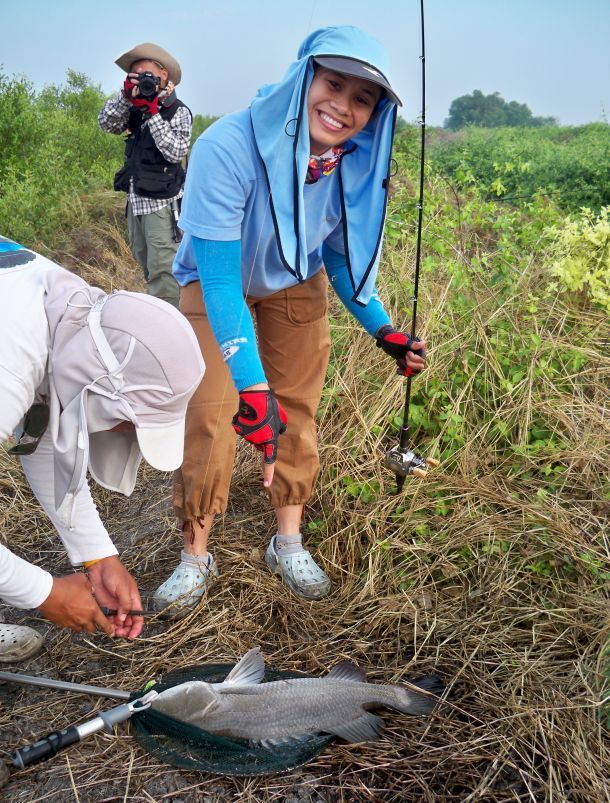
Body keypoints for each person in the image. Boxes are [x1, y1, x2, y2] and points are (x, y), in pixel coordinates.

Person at [153, 26, 426, 612]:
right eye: (333, 83)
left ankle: (288, 541)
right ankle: (195, 554)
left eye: (363, 98)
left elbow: (340, 255)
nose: (344, 106)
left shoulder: (347, 161)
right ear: (305, 76)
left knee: (296, 411)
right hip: (213, 278)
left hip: (295, 279)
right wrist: (250, 384)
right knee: (211, 413)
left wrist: (384, 328)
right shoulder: (227, 146)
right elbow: (222, 279)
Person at [0, 236, 204, 661]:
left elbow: (39, 432)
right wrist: (44, 592)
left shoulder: (73, 312)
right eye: (126, 421)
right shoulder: (10, 360)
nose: (120, 431)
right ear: (102, 387)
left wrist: (97, 557)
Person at [98, 43, 192, 308]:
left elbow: (176, 152)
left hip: (162, 203)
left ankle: (170, 329)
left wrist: (152, 113)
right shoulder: (133, 106)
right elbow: (106, 124)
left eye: (146, 74)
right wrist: (125, 97)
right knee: (145, 262)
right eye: (135, 75)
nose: (141, 80)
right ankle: (159, 317)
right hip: (136, 200)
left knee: (165, 272)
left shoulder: (179, 111)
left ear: (163, 75)